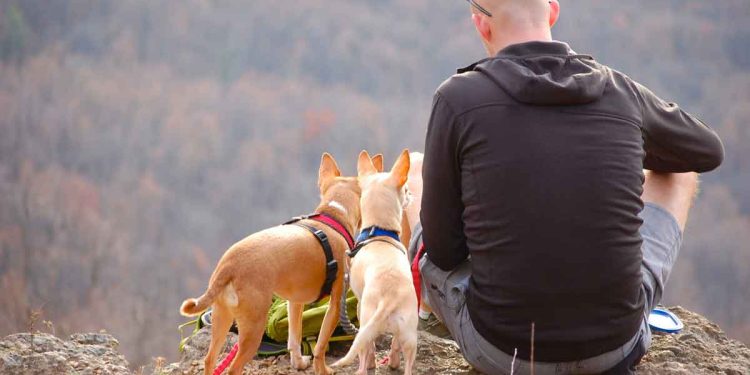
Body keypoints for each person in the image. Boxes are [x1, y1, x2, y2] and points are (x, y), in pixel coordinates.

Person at [418, 0, 725, 373]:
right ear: (552, 12)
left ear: (481, 25)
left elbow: (444, 252)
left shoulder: (457, 98)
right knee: (680, 171)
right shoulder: (619, 91)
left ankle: (423, 321)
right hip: (616, 350)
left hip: (503, 354)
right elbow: (706, 151)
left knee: (419, 193)